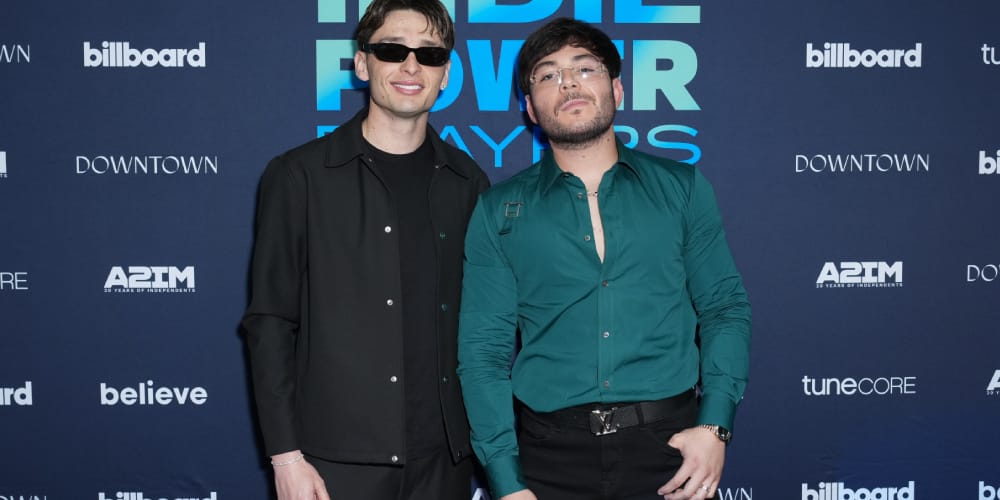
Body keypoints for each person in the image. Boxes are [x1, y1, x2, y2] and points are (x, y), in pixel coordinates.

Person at [457, 18, 751, 500]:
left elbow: (724, 308)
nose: (568, 83)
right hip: (546, 460)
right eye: (548, 75)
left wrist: (715, 425)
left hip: (671, 453)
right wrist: (506, 483)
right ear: (530, 108)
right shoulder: (498, 211)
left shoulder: (683, 189)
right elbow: (483, 353)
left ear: (616, 88)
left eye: (584, 68)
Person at [241, 0, 489, 498]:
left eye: (429, 54)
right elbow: (270, 322)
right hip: (334, 462)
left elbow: (485, 327)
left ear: (446, 74)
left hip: (446, 461)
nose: (411, 66)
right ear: (362, 63)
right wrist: (286, 457)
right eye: (392, 50)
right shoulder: (299, 176)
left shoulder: (468, 182)